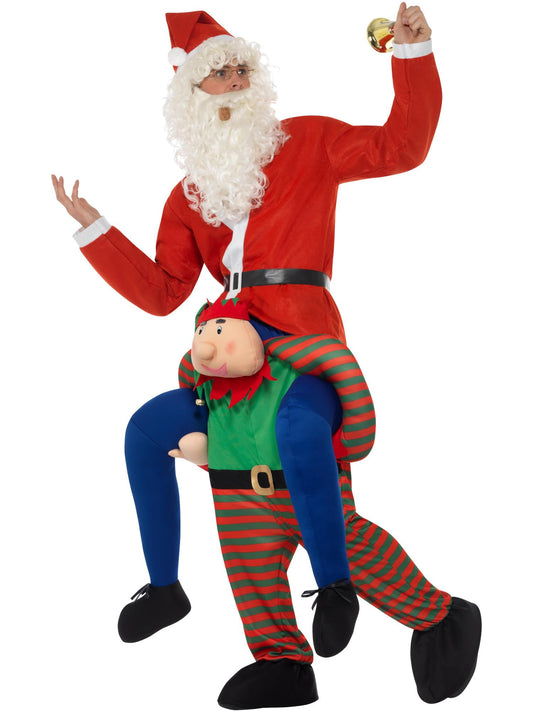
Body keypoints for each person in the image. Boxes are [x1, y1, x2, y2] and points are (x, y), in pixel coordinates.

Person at [52, 6, 481, 707]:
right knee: (169, 447)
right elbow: (163, 293)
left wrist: (413, 55)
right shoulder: (189, 197)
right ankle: (216, 618)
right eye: (215, 73)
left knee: (301, 442)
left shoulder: (309, 141)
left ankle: (394, 602)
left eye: (240, 68)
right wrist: (95, 230)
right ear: (190, 96)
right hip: (228, 357)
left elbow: (401, 146)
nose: (232, 80)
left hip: (302, 348)